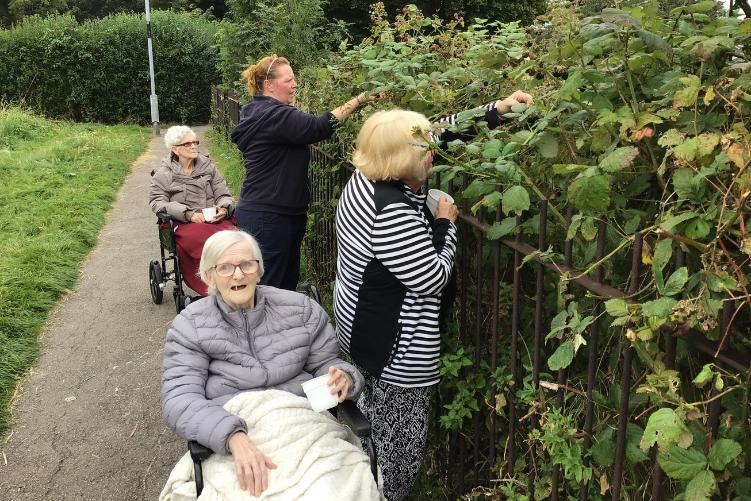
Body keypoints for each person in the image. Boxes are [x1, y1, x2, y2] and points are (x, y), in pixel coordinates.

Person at [334, 91, 533, 501]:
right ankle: (386, 493)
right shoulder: (390, 211)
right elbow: (431, 278)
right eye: (424, 150)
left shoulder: (368, 174)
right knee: (401, 440)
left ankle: (362, 481)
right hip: (395, 345)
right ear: (406, 160)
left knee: (373, 419)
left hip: (362, 322)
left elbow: (439, 132)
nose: (432, 154)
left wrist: (496, 110)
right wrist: (445, 224)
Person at [161, 229, 365, 498]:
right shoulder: (190, 325)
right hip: (234, 430)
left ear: (259, 270)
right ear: (209, 276)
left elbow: (327, 364)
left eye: (247, 264)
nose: (237, 274)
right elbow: (180, 398)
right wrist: (232, 436)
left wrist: (345, 378)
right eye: (224, 267)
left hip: (303, 425)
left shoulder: (301, 310)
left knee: (334, 489)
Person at [230, 54, 380, 291]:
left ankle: (277, 327)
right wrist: (359, 100)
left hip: (272, 213)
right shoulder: (274, 115)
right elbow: (319, 127)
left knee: (280, 288)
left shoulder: (259, 113)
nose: (295, 85)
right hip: (270, 217)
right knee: (268, 290)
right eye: (288, 80)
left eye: (294, 79)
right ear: (269, 85)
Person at [149, 125, 236, 297]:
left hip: (215, 219)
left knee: (235, 237)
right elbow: (157, 202)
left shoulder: (208, 167)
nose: (194, 146)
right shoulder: (163, 174)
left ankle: (233, 279)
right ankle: (211, 285)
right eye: (187, 144)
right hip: (185, 223)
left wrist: (224, 208)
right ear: (175, 149)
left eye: (195, 142)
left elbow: (224, 194)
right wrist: (187, 213)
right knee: (204, 240)